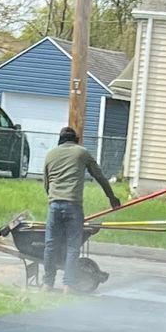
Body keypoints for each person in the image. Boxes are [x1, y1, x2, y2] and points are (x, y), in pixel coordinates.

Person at [40, 124, 120, 290]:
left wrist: (54, 197)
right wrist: (112, 197)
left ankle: (47, 284)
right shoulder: (81, 152)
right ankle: (68, 286)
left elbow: (47, 184)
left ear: (60, 140)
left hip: (54, 205)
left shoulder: (50, 155)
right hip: (73, 206)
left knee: (50, 245)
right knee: (72, 247)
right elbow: (100, 177)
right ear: (76, 140)